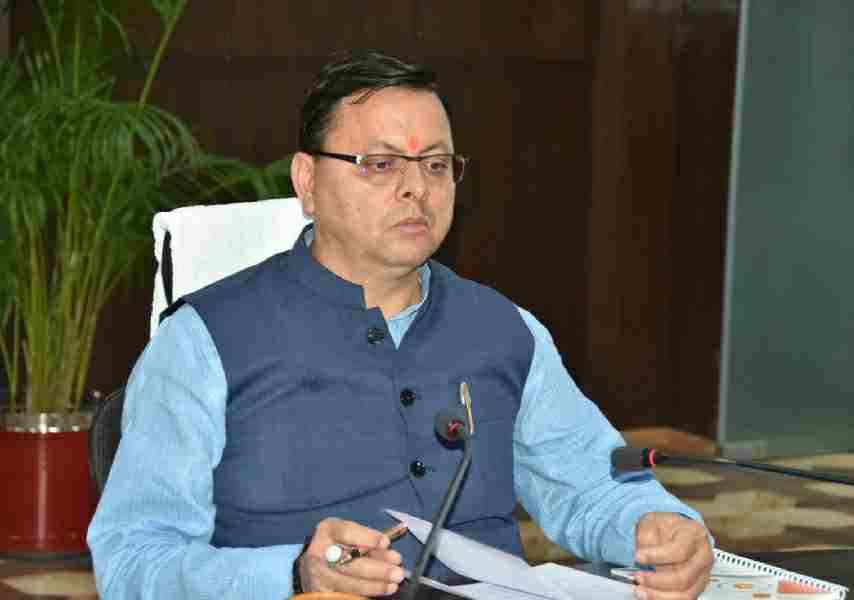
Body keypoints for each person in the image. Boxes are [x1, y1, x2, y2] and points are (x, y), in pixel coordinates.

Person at [88, 50, 714, 600]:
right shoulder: (204, 342)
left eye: (436, 165)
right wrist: (294, 574)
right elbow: (132, 563)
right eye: (380, 164)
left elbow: (595, 484)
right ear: (307, 180)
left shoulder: (505, 330)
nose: (417, 188)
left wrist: (659, 527)